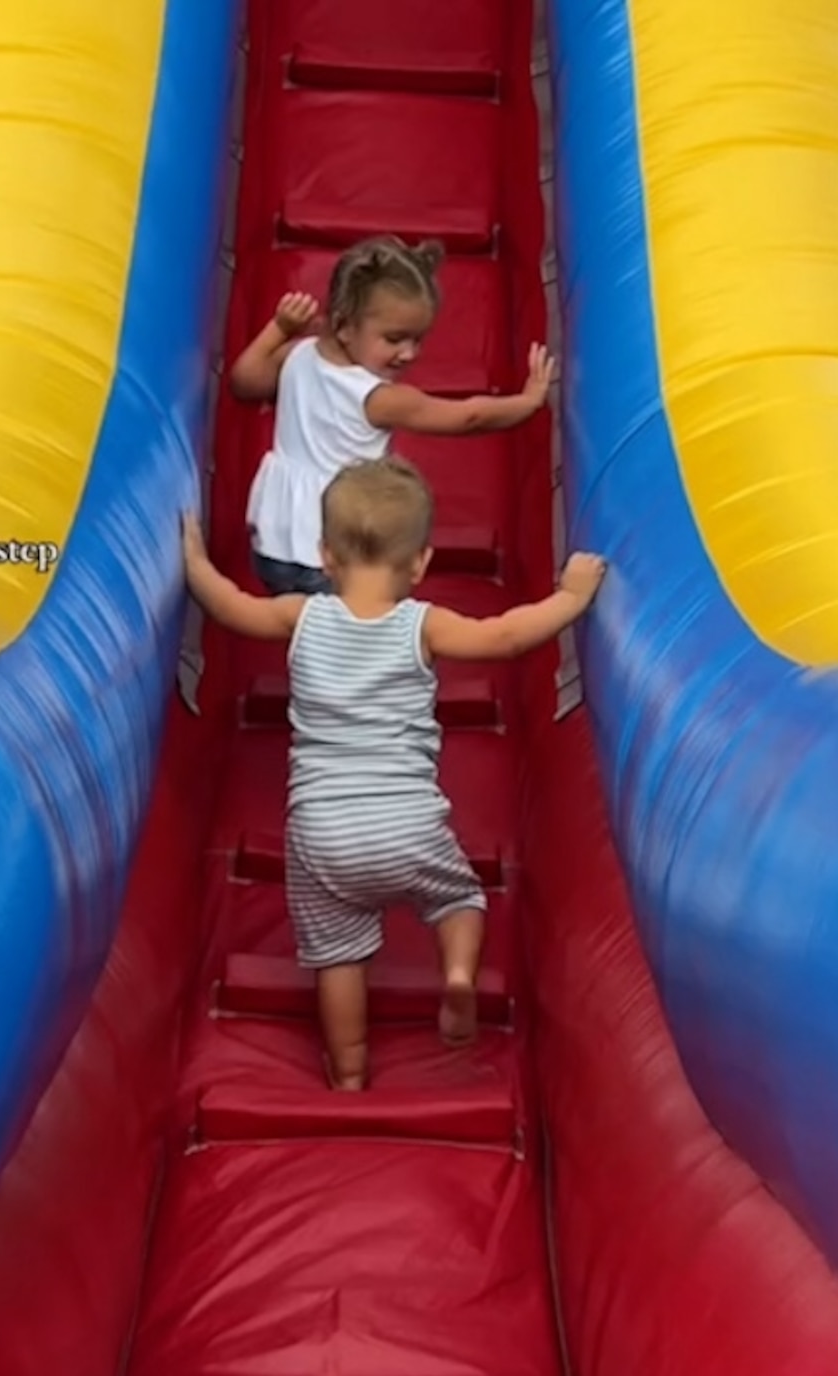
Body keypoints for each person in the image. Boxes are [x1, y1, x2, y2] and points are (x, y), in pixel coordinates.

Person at [182, 456, 605, 1091]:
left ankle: (348, 1073)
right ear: (422, 563)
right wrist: (571, 596)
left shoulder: (301, 616)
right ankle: (457, 973)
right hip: (406, 822)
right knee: (458, 898)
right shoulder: (422, 625)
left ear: (325, 555)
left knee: (338, 955)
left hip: (321, 829)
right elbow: (505, 636)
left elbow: (231, 606)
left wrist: (193, 562)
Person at [229, 234, 554, 597]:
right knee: (354, 632)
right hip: (335, 550)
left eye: (418, 340)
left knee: (306, 629)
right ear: (343, 326)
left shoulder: (297, 354)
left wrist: (279, 329)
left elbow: (244, 380)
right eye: (395, 339)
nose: (409, 353)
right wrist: (526, 402)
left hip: (273, 542)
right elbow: (467, 417)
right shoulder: (375, 397)